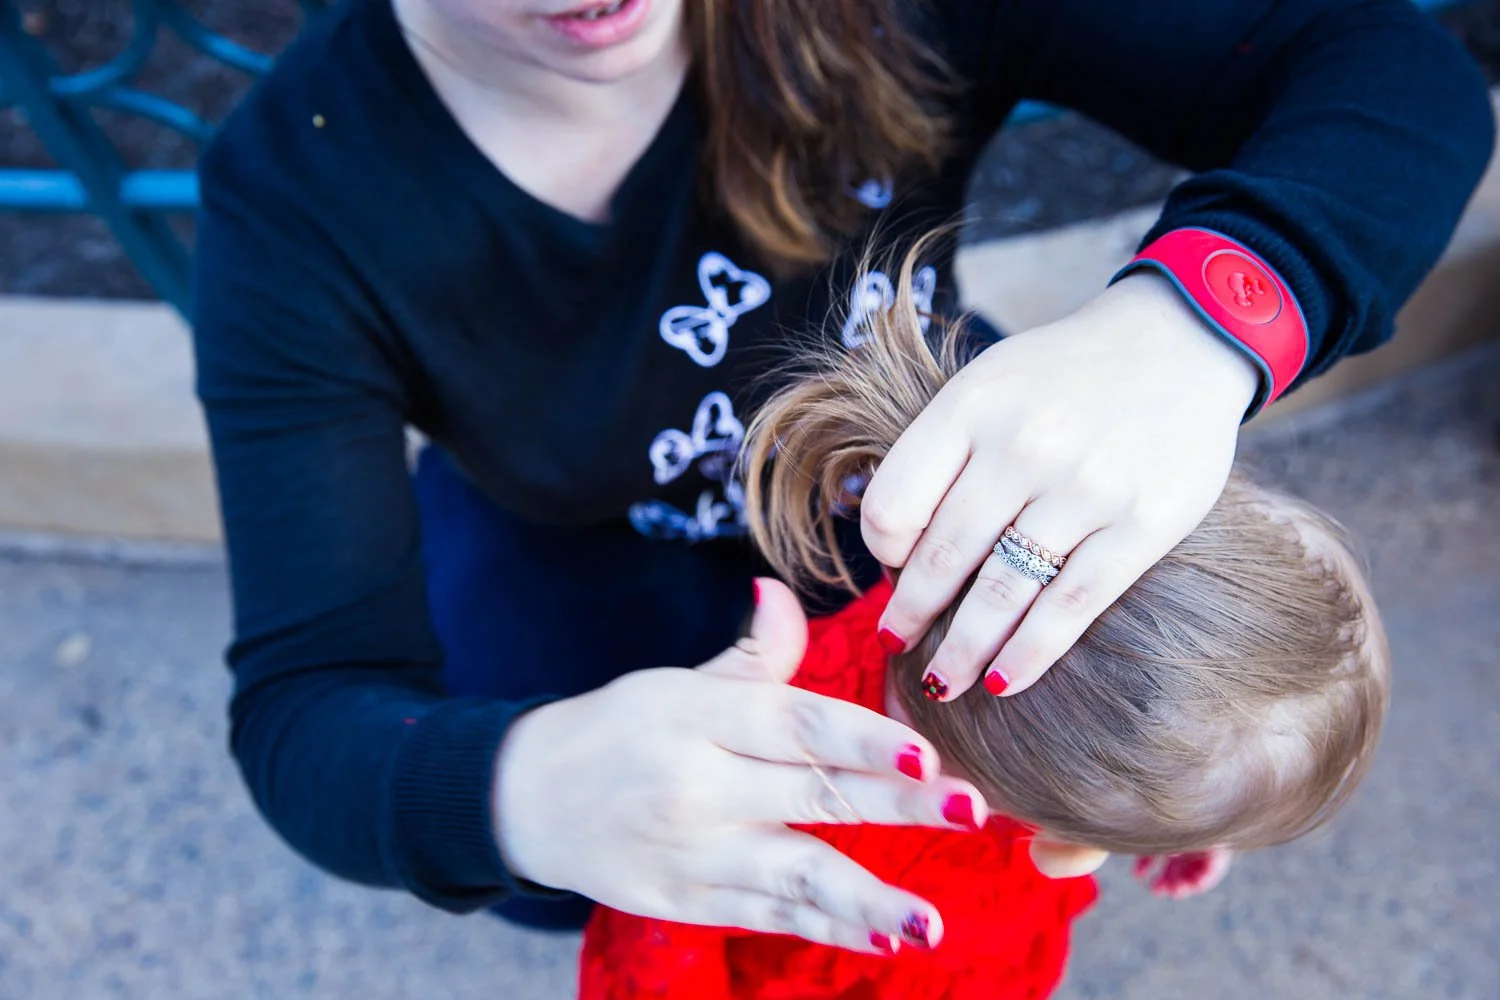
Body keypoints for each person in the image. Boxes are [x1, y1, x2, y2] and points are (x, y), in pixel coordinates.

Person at [190, 0, 1492, 940]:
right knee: (663, 873)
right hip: (575, 574)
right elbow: (314, 711)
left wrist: (1195, 329)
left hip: (925, 491)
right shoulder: (295, 194)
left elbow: (1384, 71)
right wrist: (530, 791)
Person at [574, 251, 1390, 998]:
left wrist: (1180, 823)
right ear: (1046, 833)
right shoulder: (781, 758)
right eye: (1101, 833)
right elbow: (663, 922)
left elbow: (1167, 728)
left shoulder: (1041, 714)